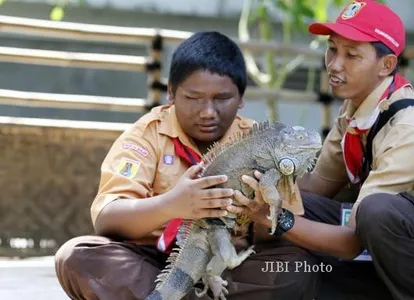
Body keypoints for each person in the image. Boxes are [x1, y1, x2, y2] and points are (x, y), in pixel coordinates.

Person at [228, 1, 414, 299]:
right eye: (332, 49)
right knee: (295, 202)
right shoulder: (354, 108)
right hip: (400, 241)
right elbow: (318, 187)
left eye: (352, 55)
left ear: (387, 65)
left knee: (376, 211)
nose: (335, 64)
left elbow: (351, 242)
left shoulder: (409, 127)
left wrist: (273, 218)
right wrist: (253, 186)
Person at [54, 31, 317, 300]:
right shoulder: (146, 134)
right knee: (77, 255)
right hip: (150, 260)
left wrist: (262, 212)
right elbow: (107, 221)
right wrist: (173, 204)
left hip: (225, 266)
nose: (207, 112)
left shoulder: (265, 144)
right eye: (193, 98)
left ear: (241, 98)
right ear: (171, 93)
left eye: (222, 98)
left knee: (296, 268)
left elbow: (276, 237)